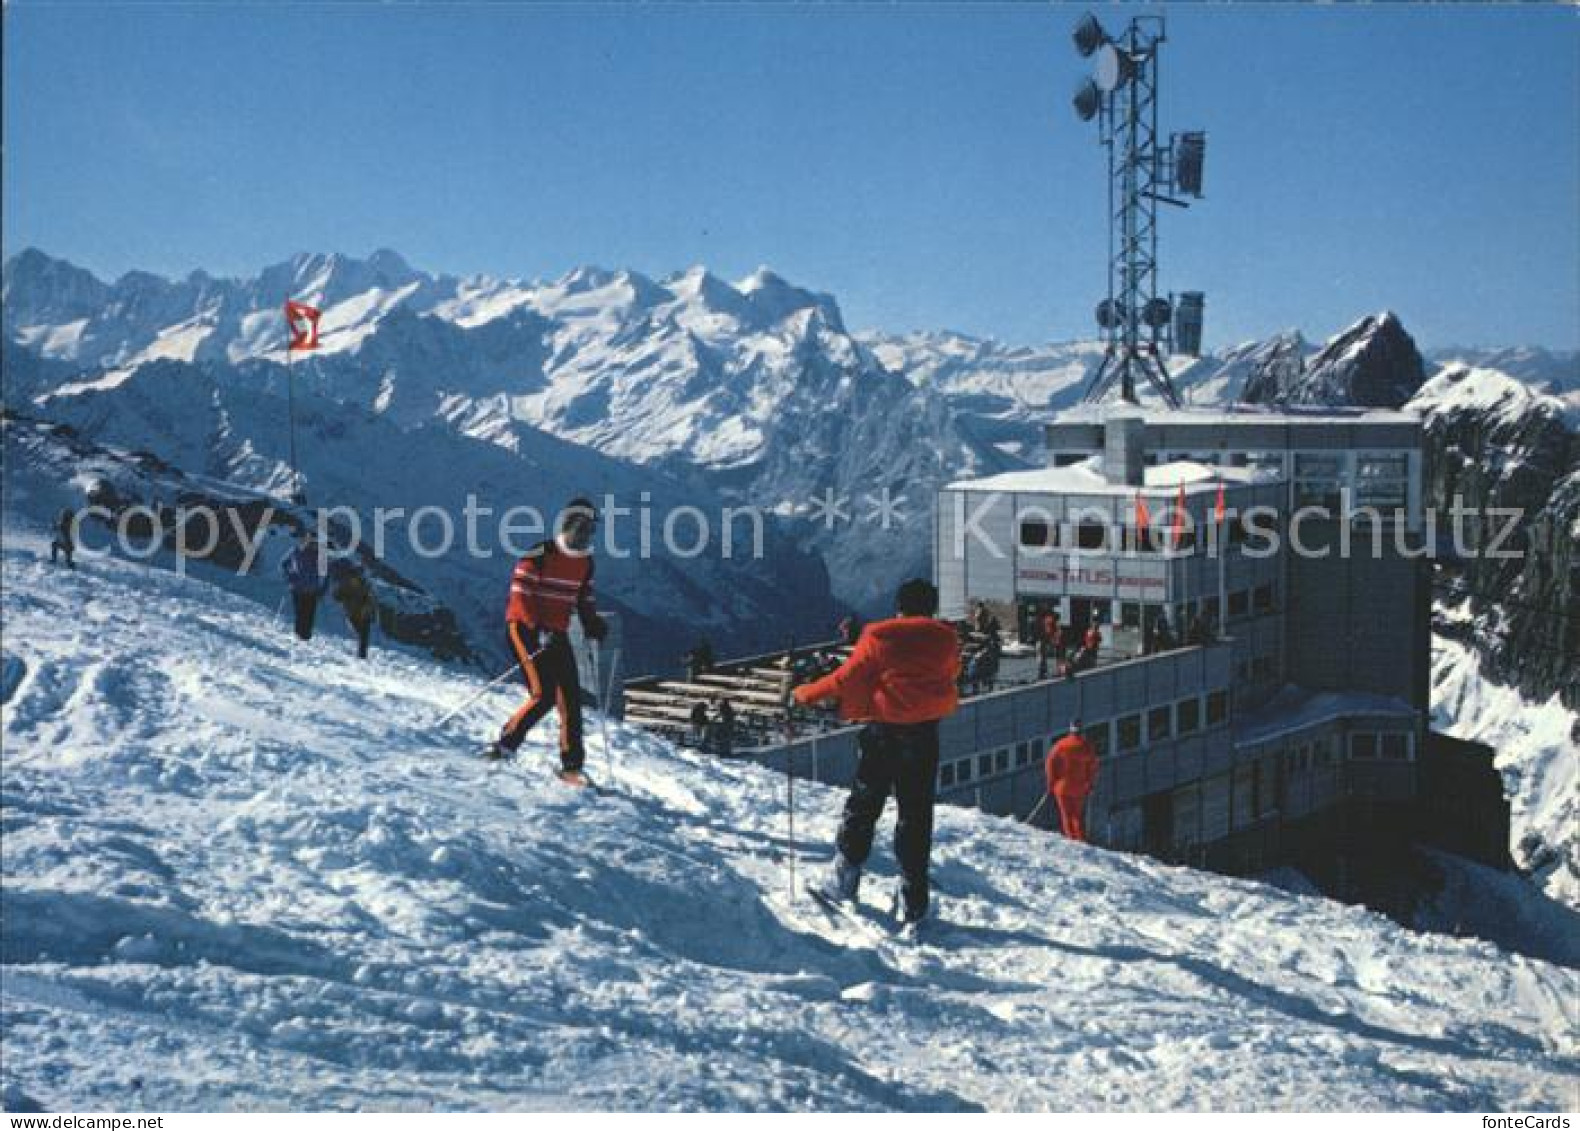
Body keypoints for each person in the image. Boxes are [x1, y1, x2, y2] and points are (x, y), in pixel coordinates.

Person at [794, 577, 960, 930]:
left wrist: (806, 693)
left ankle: (845, 881)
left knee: (865, 805)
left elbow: (845, 679)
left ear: (899, 606)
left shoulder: (880, 636)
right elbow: (952, 672)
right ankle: (913, 899)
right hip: (925, 736)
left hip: (884, 733)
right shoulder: (947, 638)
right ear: (932, 607)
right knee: (916, 815)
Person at [486, 498, 609, 781]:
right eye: (582, 528)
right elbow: (520, 596)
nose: (586, 534)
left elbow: (583, 597)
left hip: (557, 632)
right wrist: (538, 628)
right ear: (568, 525)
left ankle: (572, 767)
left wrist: (592, 622)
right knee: (543, 695)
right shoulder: (539, 555)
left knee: (570, 698)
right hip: (524, 630)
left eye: (591, 529)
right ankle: (504, 745)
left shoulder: (585, 562)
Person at [1045, 720, 1099, 843]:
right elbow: (1093, 768)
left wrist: (1051, 782)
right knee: (1077, 816)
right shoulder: (1087, 747)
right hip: (1080, 788)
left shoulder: (1060, 745)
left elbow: (1050, 764)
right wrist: (1090, 784)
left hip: (1062, 787)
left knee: (1066, 815)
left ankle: (1071, 840)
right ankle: (1080, 839)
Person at [280, 532, 330, 641]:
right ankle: (299, 637)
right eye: (311, 541)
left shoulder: (319, 555)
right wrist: (289, 578)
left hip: (311, 589)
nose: (312, 543)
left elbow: (326, 573)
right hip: (299, 588)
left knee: (308, 615)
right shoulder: (296, 551)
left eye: (314, 541)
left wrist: (323, 589)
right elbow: (283, 564)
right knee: (301, 613)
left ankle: (304, 638)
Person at [330, 557, 378, 660]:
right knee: (362, 635)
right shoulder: (355, 579)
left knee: (362, 635)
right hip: (358, 611)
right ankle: (361, 657)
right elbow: (338, 595)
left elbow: (337, 596)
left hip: (358, 612)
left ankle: (361, 657)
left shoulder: (359, 580)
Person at [1036, 608, 1062, 680]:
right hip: (1045, 639)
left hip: (1049, 638)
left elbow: (1055, 629)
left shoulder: (1050, 619)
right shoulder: (1046, 619)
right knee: (1042, 655)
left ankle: (1056, 671)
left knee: (1056, 654)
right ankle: (1043, 672)